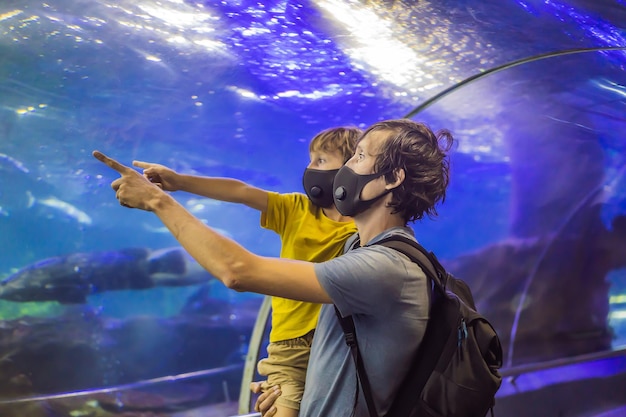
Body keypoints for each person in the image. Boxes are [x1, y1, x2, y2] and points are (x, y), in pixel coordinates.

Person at [93, 118, 454, 417]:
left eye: (359, 157)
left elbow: (237, 271)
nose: (345, 170)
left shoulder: (381, 266)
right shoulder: (356, 248)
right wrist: (293, 385)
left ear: (392, 180)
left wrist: (158, 200)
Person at [129, 127, 361, 417]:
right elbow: (241, 192)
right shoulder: (296, 209)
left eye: (321, 161)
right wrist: (180, 182)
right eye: (310, 160)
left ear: (352, 168)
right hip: (290, 344)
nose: (310, 168)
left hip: (339, 341)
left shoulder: (364, 228)